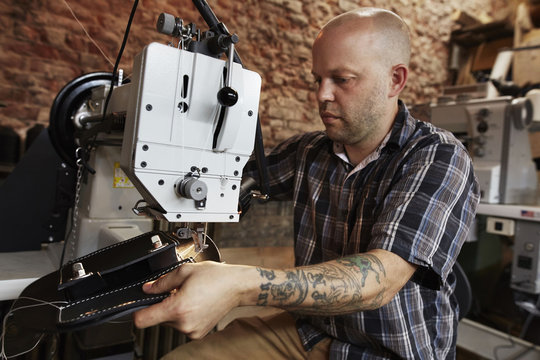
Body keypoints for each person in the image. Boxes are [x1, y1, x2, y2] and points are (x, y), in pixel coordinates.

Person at [133, 7, 480, 359]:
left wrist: (238, 285)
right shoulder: (309, 152)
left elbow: (379, 281)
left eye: (342, 79)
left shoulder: (437, 157)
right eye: (318, 79)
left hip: (389, 351)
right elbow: (223, 175)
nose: (322, 95)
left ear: (395, 80)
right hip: (313, 331)